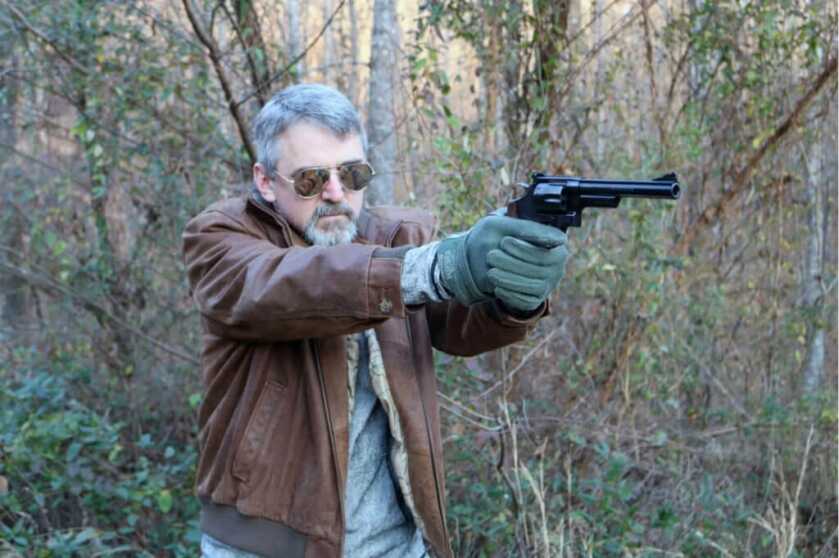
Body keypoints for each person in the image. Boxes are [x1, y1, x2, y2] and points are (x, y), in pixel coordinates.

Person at [182, 83, 568, 558]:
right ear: (265, 181)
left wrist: (514, 294)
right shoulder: (219, 238)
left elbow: (460, 326)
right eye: (309, 179)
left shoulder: (394, 235)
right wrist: (432, 267)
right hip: (263, 549)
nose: (335, 193)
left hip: (395, 546)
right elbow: (283, 286)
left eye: (353, 174)